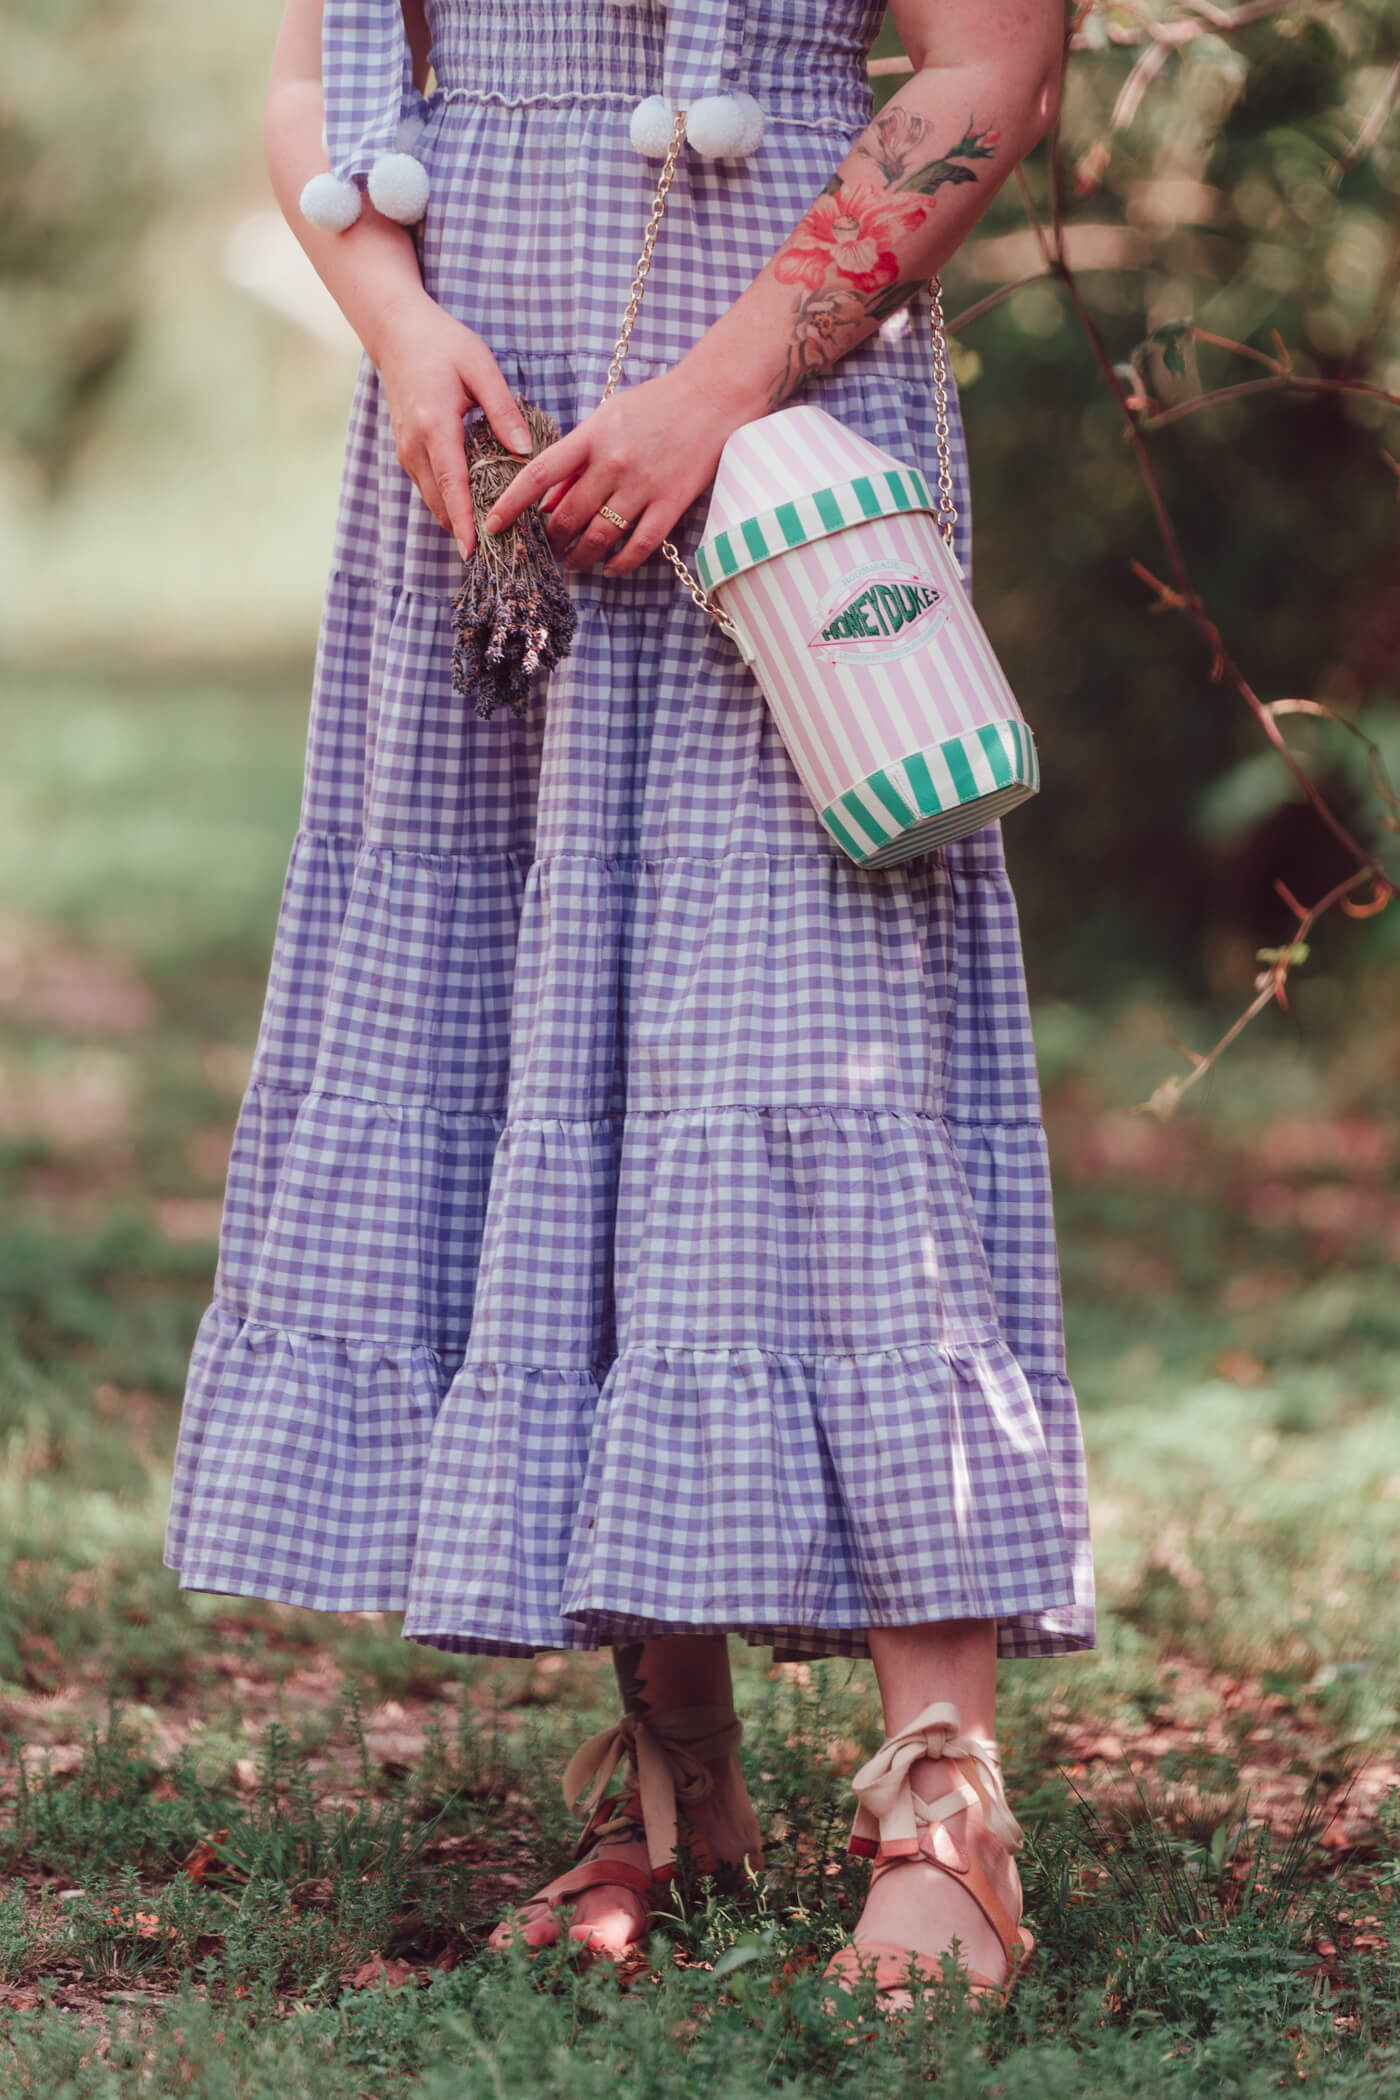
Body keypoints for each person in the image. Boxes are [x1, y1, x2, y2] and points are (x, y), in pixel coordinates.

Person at [165, 0, 1093, 2005]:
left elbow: (984, 75)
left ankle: (947, 1794)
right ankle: (673, 1774)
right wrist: (405, 339)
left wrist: (708, 389)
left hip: (769, 424)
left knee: (812, 1031)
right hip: (484, 429)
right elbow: (318, 78)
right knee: (544, 1032)